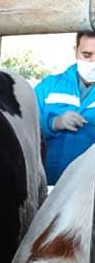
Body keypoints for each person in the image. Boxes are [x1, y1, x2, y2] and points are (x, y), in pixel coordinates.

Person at [35, 32, 95, 184]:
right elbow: (25, 125)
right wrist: (53, 123)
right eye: (86, 55)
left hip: (88, 189)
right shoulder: (49, 86)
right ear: (75, 50)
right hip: (48, 183)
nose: (93, 61)